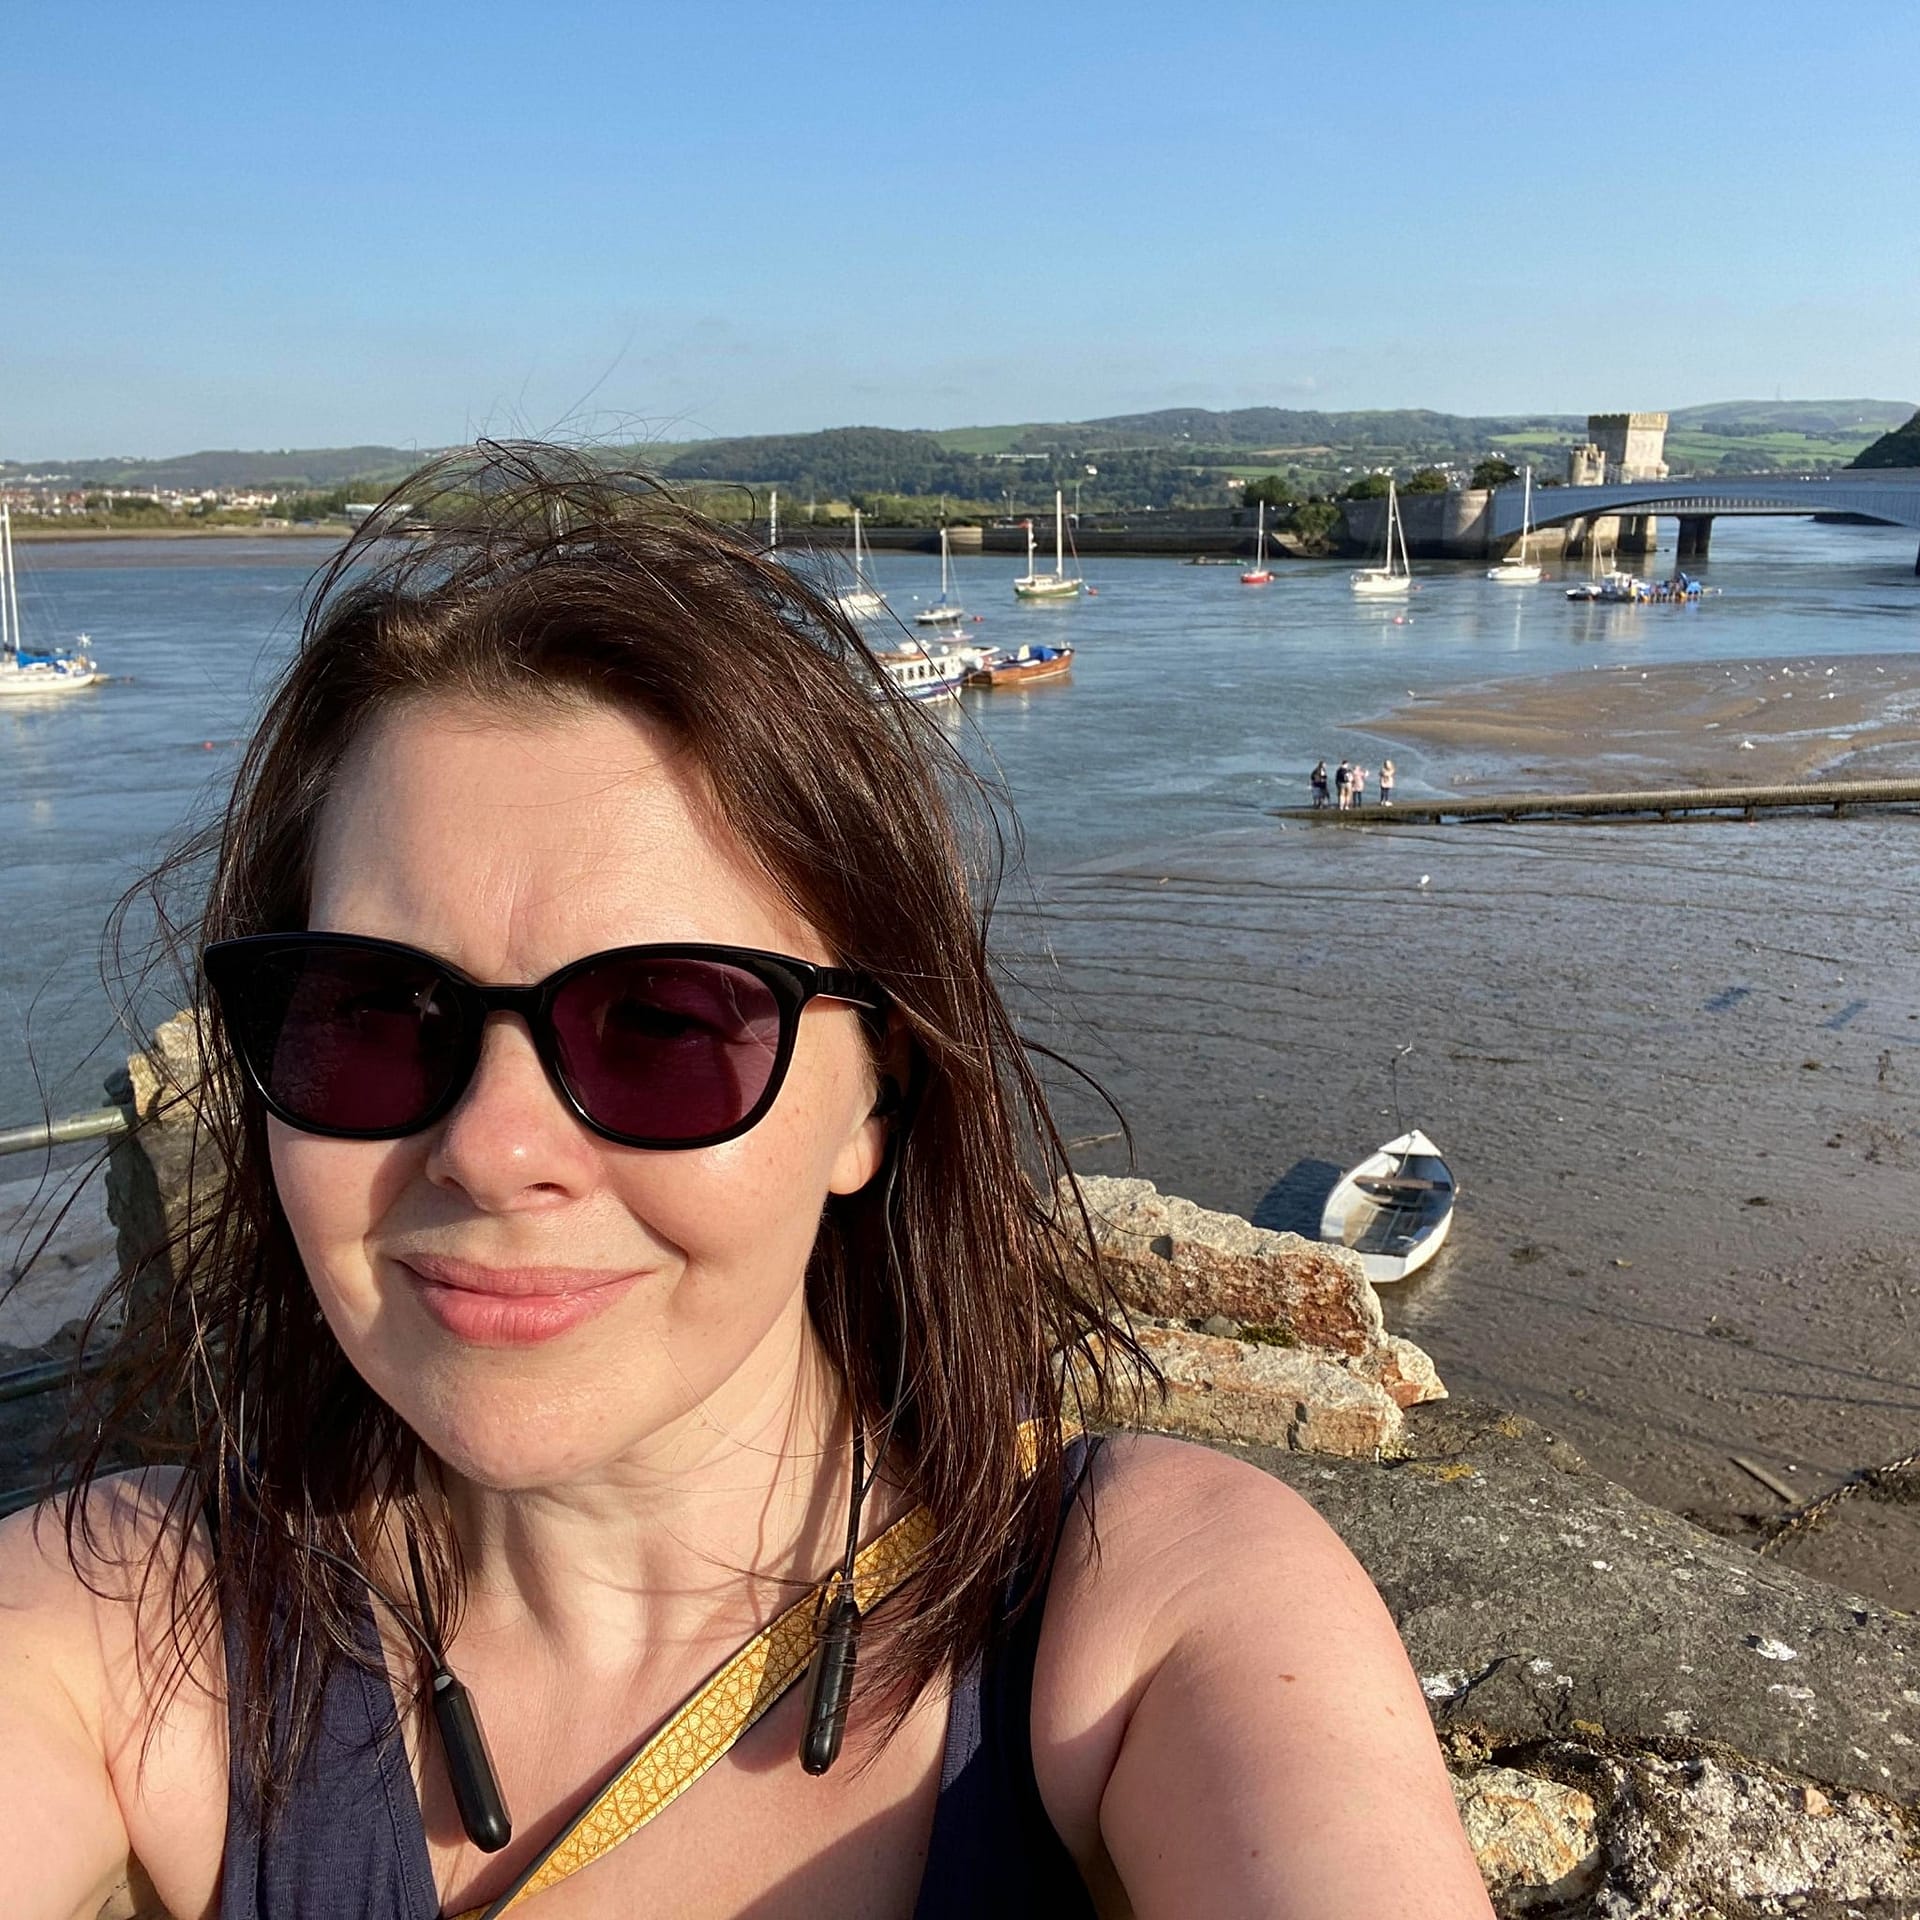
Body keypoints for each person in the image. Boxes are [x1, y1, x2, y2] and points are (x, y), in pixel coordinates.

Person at [0, 447, 1492, 1920]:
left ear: (876, 1099)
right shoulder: (117, 1627)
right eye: (375, 1014)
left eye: (662, 1022)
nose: (492, 1148)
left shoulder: (1154, 1620)